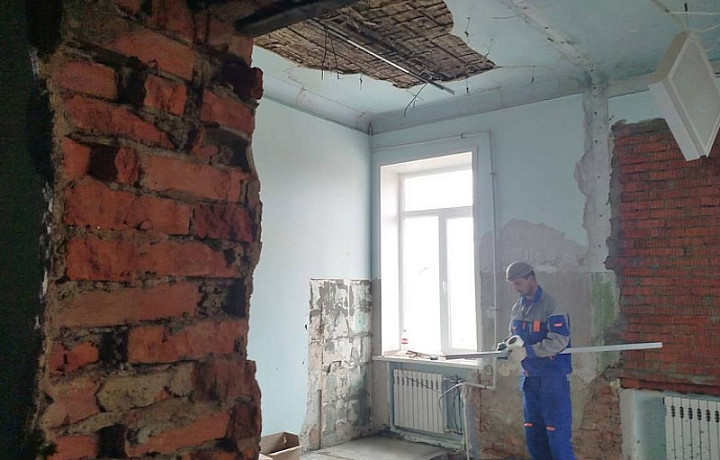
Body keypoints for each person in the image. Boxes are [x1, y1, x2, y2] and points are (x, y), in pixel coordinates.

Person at [503, 261, 575, 460]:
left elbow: (559, 340)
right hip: (529, 379)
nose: (515, 289)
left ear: (531, 279)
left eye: (518, 283)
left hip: (552, 380)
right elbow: (513, 337)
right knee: (533, 436)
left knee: (557, 438)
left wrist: (528, 352)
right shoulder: (518, 308)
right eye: (512, 284)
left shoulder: (552, 306)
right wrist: (506, 349)